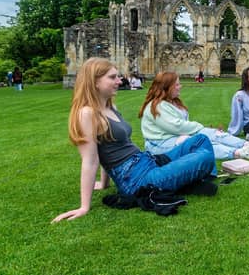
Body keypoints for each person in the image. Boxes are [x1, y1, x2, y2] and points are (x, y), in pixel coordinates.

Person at [52, 58, 216, 222]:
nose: (119, 81)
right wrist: (84, 206)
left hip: (147, 162)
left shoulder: (110, 107)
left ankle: (196, 177)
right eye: (112, 77)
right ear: (94, 81)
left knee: (200, 140)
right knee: (206, 157)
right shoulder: (87, 114)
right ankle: (195, 177)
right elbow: (91, 160)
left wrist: (104, 183)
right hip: (137, 181)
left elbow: (109, 146)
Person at [140, 71, 249, 160]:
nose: (180, 87)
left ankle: (248, 145)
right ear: (167, 87)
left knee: (215, 134)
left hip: (178, 136)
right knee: (201, 142)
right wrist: (199, 128)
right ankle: (240, 153)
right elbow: (177, 126)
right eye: (177, 85)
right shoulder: (157, 106)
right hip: (161, 144)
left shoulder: (173, 102)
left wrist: (202, 130)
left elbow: (181, 127)